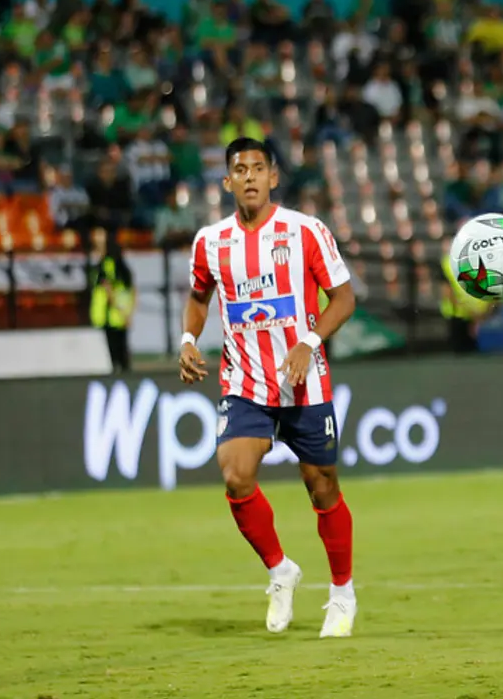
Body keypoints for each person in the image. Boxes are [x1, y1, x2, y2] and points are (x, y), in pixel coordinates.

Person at [178, 138, 358, 638]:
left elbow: (343, 300)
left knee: (322, 487)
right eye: (241, 169)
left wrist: (307, 341)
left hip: (304, 382)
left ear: (273, 178)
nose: (251, 176)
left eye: (259, 168)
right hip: (245, 383)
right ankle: (280, 570)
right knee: (234, 474)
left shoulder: (305, 232)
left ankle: (342, 591)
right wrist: (189, 338)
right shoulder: (211, 241)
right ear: (228, 182)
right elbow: (198, 297)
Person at [88, 228, 135, 372]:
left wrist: (122, 312)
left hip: (111, 316)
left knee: (114, 354)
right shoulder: (119, 266)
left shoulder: (107, 264)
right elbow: (133, 290)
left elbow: (108, 288)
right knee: (121, 352)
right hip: (117, 315)